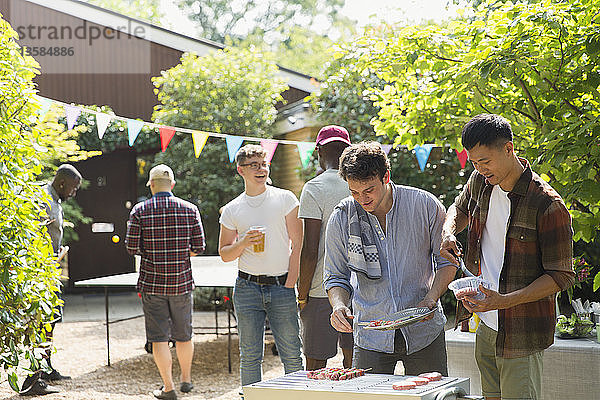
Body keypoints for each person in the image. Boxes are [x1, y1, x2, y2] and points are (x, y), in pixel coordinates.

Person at [440, 114, 575, 400]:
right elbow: (459, 208)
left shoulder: (548, 205)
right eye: (474, 162)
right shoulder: (480, 181)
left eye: (485, 161)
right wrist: (449, 232)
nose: (479, 168)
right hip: (486, 325)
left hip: (521, 330)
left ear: (509, 149)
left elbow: (561, 275)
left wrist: (504, 301)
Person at [325, 141, 456, 376]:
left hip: (423, 331)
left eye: (369, 190)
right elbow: (335, 276)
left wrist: (431, 298)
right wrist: (339, 306)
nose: (362, 200)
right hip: (370, 336)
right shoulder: (341, 216)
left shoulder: (425, 205)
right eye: (354, 192)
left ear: (386, 176)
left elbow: (447, 262)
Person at [218, 144, 303, 390]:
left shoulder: (285, 198)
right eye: (254, 165)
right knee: (250, 356)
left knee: (291, 355)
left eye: (263, 164)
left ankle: (296, 397)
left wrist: (290, 283)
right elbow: (224, 253)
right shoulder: (233, 208)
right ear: (240, 170)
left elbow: (298, 243)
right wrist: (243, 242)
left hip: (281, 287)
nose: (261, 169)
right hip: (246, 288)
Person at [126, 164, 205, 400]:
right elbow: (199, 247)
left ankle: (168, 388)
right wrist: (179, 253)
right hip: (181, 283)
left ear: (151, 185)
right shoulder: (190, 209)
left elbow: (131, 248)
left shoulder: (139, 211)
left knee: (159, 337)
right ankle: (187, 380)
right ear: (172, 185)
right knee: (184, 335)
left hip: (152, 284)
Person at [21, 164, 81, 396]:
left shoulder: (56, 201)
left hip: (52, 269)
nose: (74, 193)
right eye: (74, 188)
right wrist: (47, 259)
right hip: (40, 271)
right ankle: (33, 378)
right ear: (63, 183)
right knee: (41, 322)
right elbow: (32, 233)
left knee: (52, 320)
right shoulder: (42, 198)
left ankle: (45, 369)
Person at [297, 125, 353, 370]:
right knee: (357, 363)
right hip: (362, 287)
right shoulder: (363, 184)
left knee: (316, 366)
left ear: (319, 151)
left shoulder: (314, 187)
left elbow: (310, 249)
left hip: (322, 287)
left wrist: (302, 293)